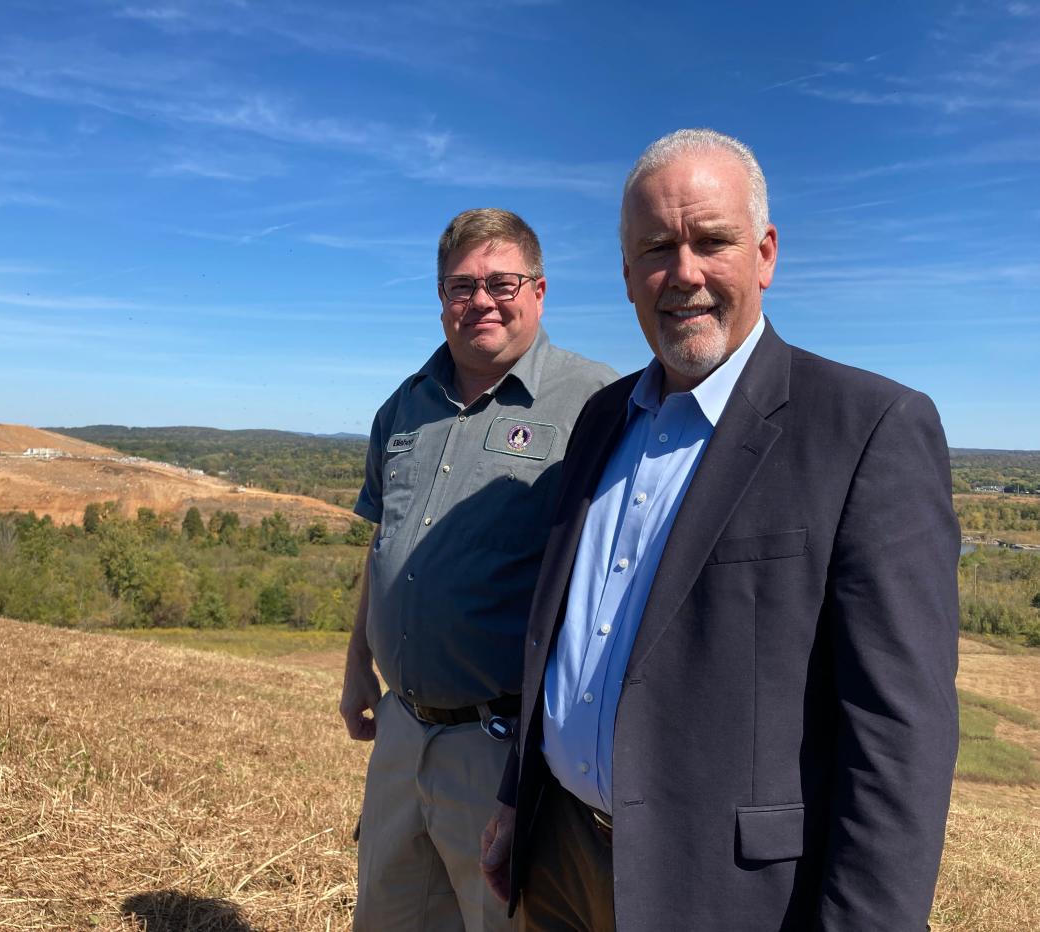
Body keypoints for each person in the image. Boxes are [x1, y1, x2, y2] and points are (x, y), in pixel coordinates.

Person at [481, 129, 960, 931]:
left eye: (713, 241)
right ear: (627, 272)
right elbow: (561, 639)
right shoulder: (603, 418)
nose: (685, 273)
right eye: (658, 248)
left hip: (722, 896)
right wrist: (514, 797)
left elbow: (897, 740)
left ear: (765, 254)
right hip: (559, 856)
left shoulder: (870, 427)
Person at [342, 208, 616, 931]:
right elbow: (383, 549)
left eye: (502, 281)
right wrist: (354, 671)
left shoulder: (596, 403)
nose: (482, 300)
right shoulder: (403, 408)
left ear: (540, 290)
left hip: (503, 750)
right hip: (401, 733)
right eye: (462, 286)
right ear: (440, 298)